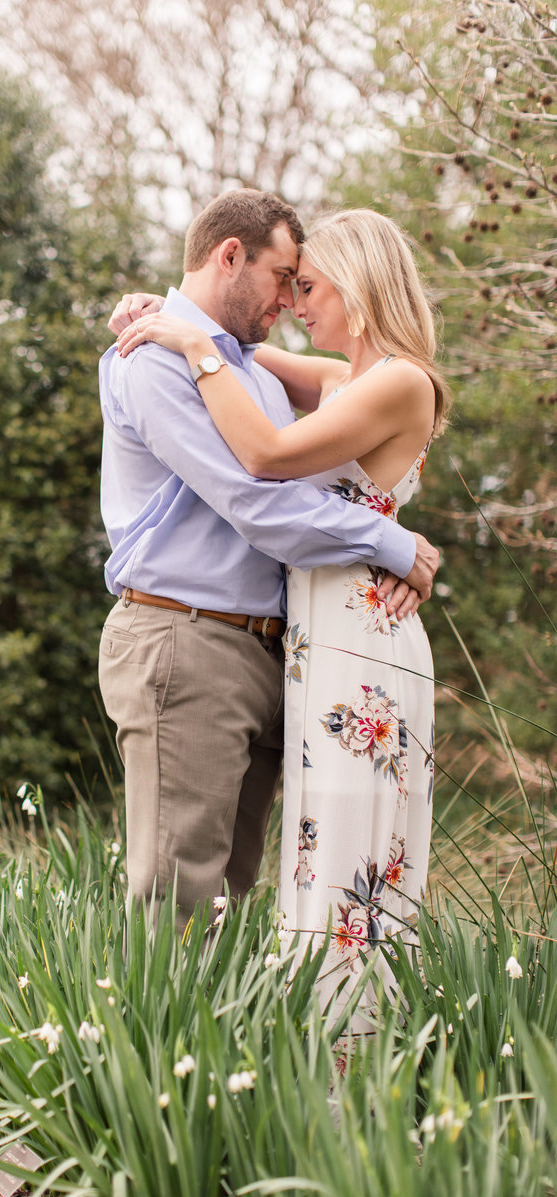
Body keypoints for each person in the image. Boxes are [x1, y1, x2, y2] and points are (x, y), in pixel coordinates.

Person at [115, 207, 446, 1006]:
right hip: (303, 643)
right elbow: (248, 353)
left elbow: (264, 457)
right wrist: (154, 315)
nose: (296, 301)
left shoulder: (399, 380)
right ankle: (274, 1079)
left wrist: (192, 343)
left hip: (356, 641)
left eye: (311, 286)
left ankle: (353, 1062)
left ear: (360, 289)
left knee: (343, 862)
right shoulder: (338, 378)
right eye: (287, 283)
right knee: (309, 860)